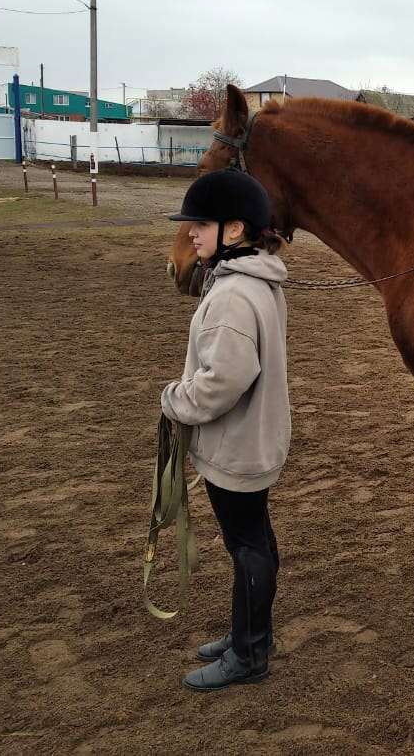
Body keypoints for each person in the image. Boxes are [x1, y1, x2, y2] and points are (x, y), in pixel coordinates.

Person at [161, 168, 290, 692]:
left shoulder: (233, 295)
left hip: (237, 445)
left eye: (201, 224)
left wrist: (174, 401)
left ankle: (249, 652)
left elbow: (224, 381)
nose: (190, 233)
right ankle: (250, 632)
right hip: (253, 438)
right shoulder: (253, 281)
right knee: (255, 541)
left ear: (234, 230)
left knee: (248, 547)